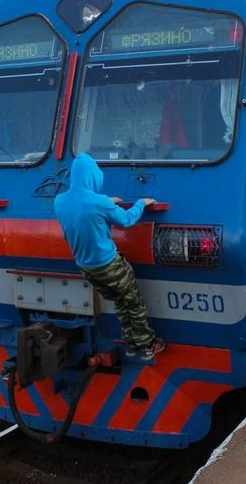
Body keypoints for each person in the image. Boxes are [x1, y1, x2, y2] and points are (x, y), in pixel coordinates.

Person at [54, 153, 164, 360]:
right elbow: (126, 220)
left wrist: (106, 202)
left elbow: (83, 210)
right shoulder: (99, 203)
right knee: (134, 302)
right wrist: (141, 203)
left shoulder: (59, 201)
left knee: (120, 302)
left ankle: (130, 344)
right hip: (109, 266)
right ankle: (147, 344)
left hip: (87, 269)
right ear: (92, 176)